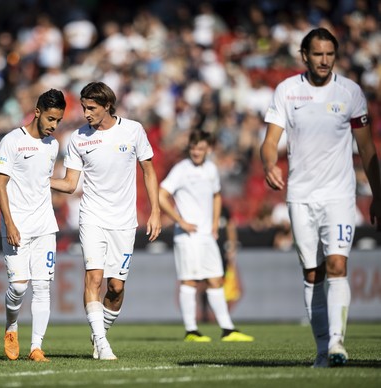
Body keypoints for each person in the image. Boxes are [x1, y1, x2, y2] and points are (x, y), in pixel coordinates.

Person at [261, 27, 381, 368]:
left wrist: (378, 195)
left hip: (339, 196)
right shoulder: (287, 91)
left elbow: (367, 147)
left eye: (330, 54)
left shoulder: (350, 93)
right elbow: (270, 141)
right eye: (318, 54)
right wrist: (269, 163)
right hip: (300, 196)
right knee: (312, 273)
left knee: (337, 264)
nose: (324, 60)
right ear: (305, 56)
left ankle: (338, 344)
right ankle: (321, 351)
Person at [51, 81, 161, 360]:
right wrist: (39, 179)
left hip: (124, 221)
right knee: (94, 278)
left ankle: (99, 333)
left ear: (107, 106)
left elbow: (148, 170)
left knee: (116, 287)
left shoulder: (133, 130)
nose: (86, 113)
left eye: (91, 108)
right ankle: (101, 342)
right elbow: (70, 183)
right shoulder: (78, 138)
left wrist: (156, 211)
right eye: (83, 107)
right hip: (92, 217)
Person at [159, 130, 254, 343]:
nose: (196, 152)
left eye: (200, 148)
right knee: (189, 280)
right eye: (193, 148)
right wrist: (180, 220)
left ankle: (227, 329)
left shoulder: (211, 169)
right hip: (187, 235)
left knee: (215, 279)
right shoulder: (181, 170)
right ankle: (191, 330)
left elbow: (217, 194)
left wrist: (213, 224)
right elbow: (162, 195)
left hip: (206, 235)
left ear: (208, 149)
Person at [0, 88, 67, 362]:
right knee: (19, 287)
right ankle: (11, 326)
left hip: (45, 225)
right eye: (50, 119)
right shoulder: (12, 141)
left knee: (43, 286)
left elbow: (42, 183)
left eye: (58, 121)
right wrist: (9, 223)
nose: (53, 125)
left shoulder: (53, 145)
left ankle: (36, 347)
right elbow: (0, 183)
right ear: (37, 112)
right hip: (17, 226)